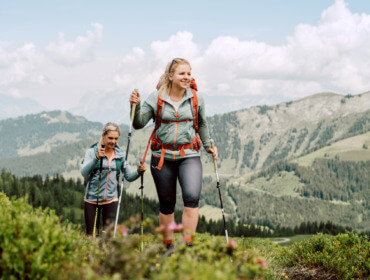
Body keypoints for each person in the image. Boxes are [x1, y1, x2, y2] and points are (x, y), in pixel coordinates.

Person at [129, 58, 217, 247]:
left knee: (192, 198)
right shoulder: (156, 97)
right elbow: (138, 123)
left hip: (189, 155)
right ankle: (167, 246)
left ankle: (188, 245)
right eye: (182, 74)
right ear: (171, 76)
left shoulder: (196, 97)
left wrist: (208, 145)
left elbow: (202, 123)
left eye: (189, 73)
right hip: (162, 157)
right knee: (167, 203)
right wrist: (134, 106)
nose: (187, 77)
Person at [81, 122, 146, 236]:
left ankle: (106, 254)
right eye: (110, 138)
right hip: (91, 199)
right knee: (91, 235)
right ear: (103, 136)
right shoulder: (92, 152)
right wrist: (96, 159)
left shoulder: (120, 155)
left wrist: (139, 172)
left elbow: (129, 176)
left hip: (111, 200)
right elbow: (84, 172)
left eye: (116, 138)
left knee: (108, 236)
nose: (113, 141)